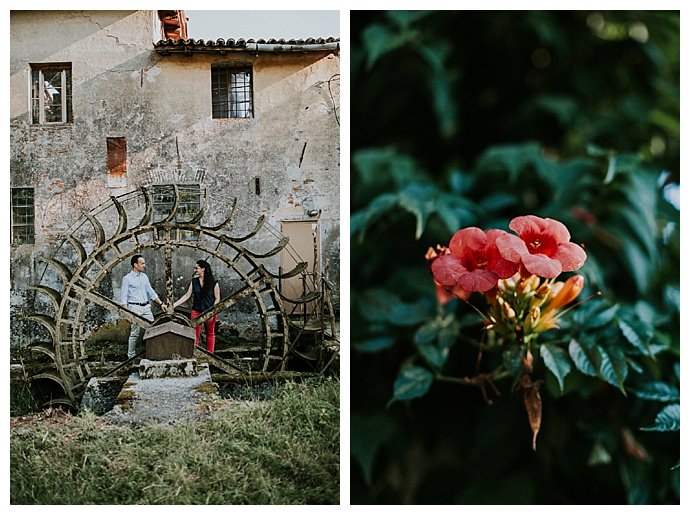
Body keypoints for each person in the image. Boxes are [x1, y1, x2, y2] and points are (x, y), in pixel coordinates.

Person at [120, 254, 167, 359]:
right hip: (135, 308)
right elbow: (123, 297)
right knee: (134, 333)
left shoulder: (144, 277)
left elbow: (151, 292)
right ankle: (131, 356)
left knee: (153, 329)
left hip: (146, 307)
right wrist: (126, 314)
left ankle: (153, 353)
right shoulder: (127, 279)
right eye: (142, 263)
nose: (144, 265)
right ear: (135, 265)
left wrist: (161, 304)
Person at [172, 259, 221, 353]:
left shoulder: (213, 282)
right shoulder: (194, 281)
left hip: (209, 311)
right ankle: (195, 353)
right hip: (196, 310)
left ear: (203, 269)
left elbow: (217, 298)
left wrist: (212, 311)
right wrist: (174, 305)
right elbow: (187, 295)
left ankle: (210, 354)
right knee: (194, 334)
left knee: (210, 333)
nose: (195, 270)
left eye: (196, 268)